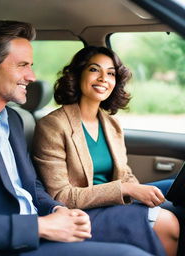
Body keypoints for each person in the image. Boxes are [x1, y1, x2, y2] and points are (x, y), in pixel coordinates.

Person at [0, 21, 155, 256]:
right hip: (5, 244)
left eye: (31, 66)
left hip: (40, 228)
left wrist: (57, 210)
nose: (32, 76)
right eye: (23, 65)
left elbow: (31, 185)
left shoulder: (14, 120)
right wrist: (44, 226)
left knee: (137, 242)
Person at [32, 46, 180, 256]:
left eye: (111, 73)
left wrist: (138, 192)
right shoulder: (53, 126)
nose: (103, 78)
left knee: (176, 194)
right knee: (167, 222)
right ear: (77, 74)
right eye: (94, 70)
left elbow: (125, 174)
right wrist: (126, 190)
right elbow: (61, 195)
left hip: (114, 202)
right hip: (82, 212)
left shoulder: (112, 124)